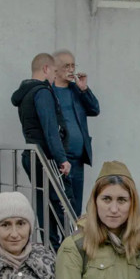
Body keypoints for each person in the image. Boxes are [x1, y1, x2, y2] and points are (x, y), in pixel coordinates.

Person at [12, 52, 72, 249]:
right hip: (46, 157)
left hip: (32, 155)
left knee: (43, 202)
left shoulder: (25, 92)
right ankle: (68, 250)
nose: (55, 76)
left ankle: (50, 248)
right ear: (46, 69)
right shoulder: (43, 92)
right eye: (54, 71)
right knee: (61, 203)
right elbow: (50, 128)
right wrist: (62, 158)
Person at [50, 49, 100, 218]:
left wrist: (84, 89)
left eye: (73, 65)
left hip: (78, 159)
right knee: (59, 205)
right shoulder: (48, 91)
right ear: (55, 69)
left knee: (76, 207)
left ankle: (73, 234)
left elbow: (95, 110)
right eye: (66, 66)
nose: (71, 70)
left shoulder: (76, 90)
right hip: (60, 160)